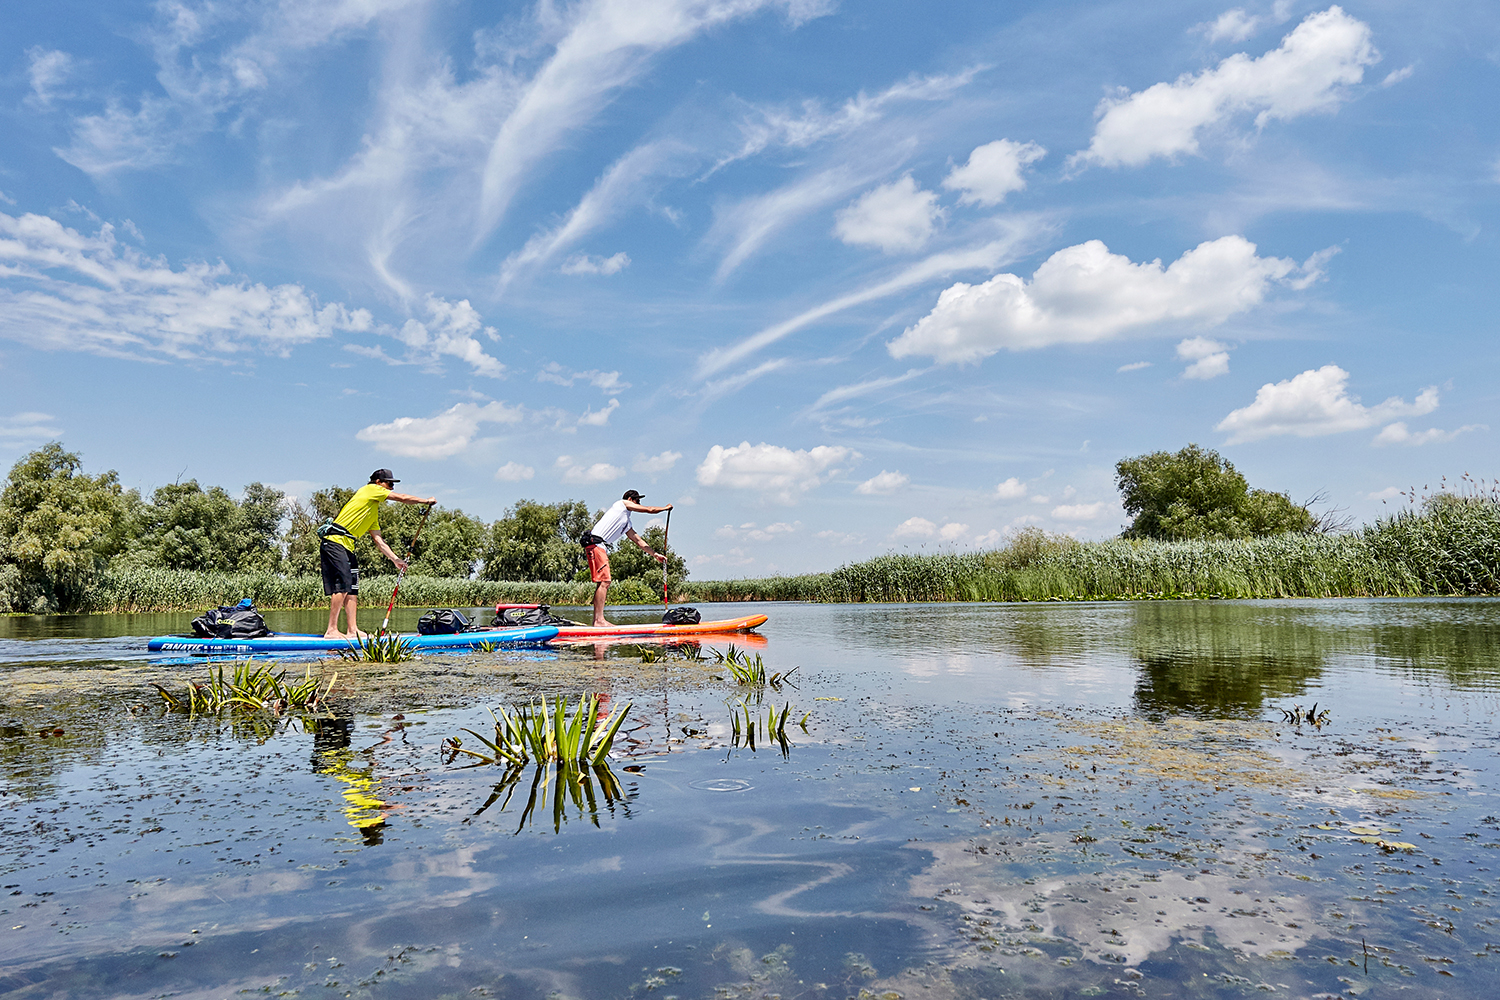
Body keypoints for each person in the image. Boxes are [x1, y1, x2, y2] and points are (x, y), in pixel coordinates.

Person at [320, 469, 435, 638]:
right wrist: (426, 501)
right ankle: (331, 630)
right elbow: (402, 498)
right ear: (379, 482)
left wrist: (396, 560)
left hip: (348, 545)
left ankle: (352, 630)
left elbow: (379, 541)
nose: (391, 488)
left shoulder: (372, 510)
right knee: (343, 584)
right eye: (390, 484)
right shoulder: (369, 489)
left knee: (352, 588)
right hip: (334, 542)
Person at [582, 489, 672, 626]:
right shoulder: (621, 504)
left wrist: (655, 554)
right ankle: (599, 621)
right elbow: (649, 509)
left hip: (597, 546)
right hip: (596, 544)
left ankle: (597, 620)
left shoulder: (625, 522)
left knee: (603, 582)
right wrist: (665, 508)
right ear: (630, 499)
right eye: (637, 501)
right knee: (605, 582)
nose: (639, 504)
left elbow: (639, 541)